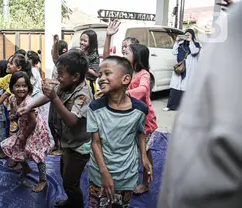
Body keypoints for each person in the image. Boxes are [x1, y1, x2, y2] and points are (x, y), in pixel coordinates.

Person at [159, 1, 242, 208]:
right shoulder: (231, 23)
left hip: (208, 190)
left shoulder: (203, 42)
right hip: (180, 74)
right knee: (176, 92)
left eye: (188, 34)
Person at [18, 49, 93, 208]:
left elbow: (72, 120)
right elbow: (46, 97)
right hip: (67, 142)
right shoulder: (65, 85)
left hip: (80, 146)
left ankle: (76, 204)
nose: (57, 78)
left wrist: (54, 97)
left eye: (60, 74)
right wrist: (29, 106)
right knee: (64, 173)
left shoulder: (83, 94)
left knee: (70, 183)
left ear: (75, 77)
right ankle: (71, 200)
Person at [87, 56, 152, 208]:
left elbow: (140, 131)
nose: (101, 78)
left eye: (107, 73)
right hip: (99, 173)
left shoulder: (140, 109)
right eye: (100, 74)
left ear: (125, 79)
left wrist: (144, 155)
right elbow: (95, 142)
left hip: (127, 174)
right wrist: (104, 172)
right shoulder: (95, 108)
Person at [0, 71, 51, 193]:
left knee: (36, 154)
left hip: (35, 131)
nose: (21, 89)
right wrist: (13, 116)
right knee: (15, 147)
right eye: (17, 86)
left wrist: (24, 135)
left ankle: (43, 179)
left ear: (29, 87)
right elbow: (13, 112)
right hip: (24, 128)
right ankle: (26, 168)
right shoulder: (12, 98)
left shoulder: (29, 103)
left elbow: (33, 123)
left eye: (24, 86)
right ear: (11, 87)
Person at [122, 43, 157, 195]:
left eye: (127, 51)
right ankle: (126, 180)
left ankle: (145, 183)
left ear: (137, 56)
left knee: (145, 152)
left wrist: (126, 94)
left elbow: (142, 90)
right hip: (131, 119)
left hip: (145, 121)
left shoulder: (144, 74)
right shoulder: (127, 71)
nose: (124, 51)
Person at [163, 28, 201, 111]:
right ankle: (171, 106)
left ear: (192, 36)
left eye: (189, 35)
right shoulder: (181, 44)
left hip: (189, 69)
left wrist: (190, 41)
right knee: (175, 87)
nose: (187, 36)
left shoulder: (196, 44)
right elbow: (174, 52)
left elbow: (194, 51)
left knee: (186, 88)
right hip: (179, 68)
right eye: (186, 35)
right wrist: (176, 41)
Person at [48, 34, 69, 155]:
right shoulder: (57, 64)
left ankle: (61, 147)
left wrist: (52, 82)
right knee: (51, 121)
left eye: (54, 47)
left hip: (60, 97)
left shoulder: (64, 65)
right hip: (53, 95)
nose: (51, 50)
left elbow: (64, 82)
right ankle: (56, 144)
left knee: (59, 123)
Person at [80, 30, 100, 96]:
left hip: (88, 84)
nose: (82, 42)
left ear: (91, 42)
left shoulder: (94, 56)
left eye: (85, 41)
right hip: (79, 83)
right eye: (81, 40)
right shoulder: (80, 52)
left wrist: (86, 68)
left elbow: (97, 74)